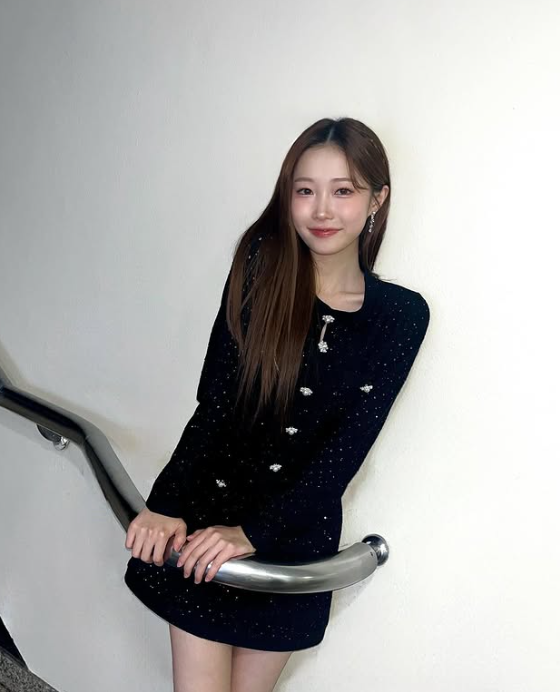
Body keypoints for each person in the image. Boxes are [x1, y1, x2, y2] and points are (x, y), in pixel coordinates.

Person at [123, 116, 431, 692]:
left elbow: (345, 452)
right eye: (305, 190)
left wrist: (255, 533)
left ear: (377, 200)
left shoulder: (401, 316)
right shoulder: (260, 267)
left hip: (293, 544)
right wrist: (165, 504)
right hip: (209, 523)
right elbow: (216, 404)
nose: (322, 210)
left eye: (344, 191)